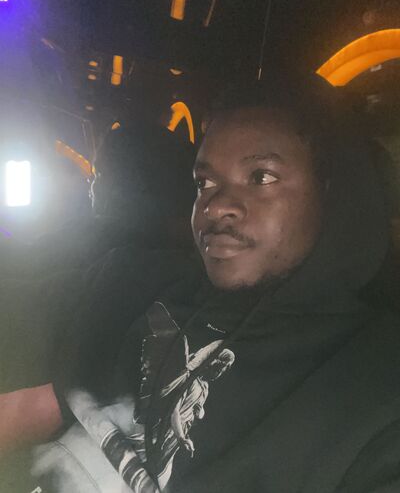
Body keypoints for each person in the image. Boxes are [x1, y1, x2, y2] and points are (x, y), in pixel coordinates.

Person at [9, 72, 400, 493]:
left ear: (331, 190)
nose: (215, 207)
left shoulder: (373, 381)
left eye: (261, 177)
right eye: (205, 183)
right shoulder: (139, 279)